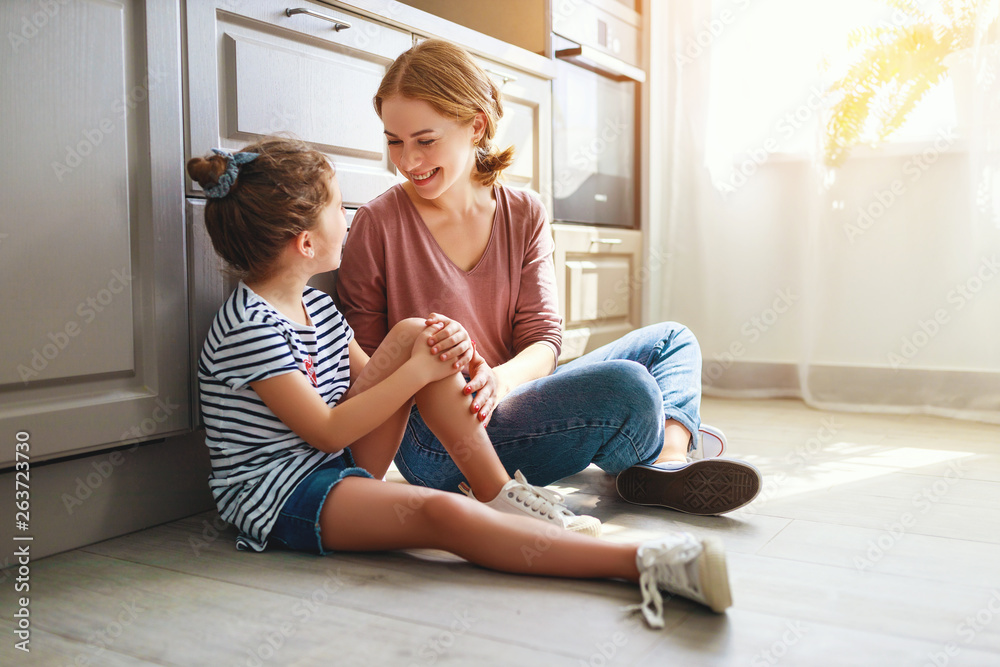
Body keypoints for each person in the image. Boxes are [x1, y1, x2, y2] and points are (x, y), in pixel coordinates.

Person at [187, 136, 734, 629]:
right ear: (305, 244)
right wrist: (419, 373)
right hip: (285, 493)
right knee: (438, 513)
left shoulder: (316, 305)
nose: (348, 215)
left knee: (416, 332)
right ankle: (641, 561)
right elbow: (328, 431)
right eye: (336, 207)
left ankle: (500, 495)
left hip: (338, 461)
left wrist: (446, 349)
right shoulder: (247, 328)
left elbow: (372, 378)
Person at [336, 39, 763, 517]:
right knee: (630, 387)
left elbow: (543, 341)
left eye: (425, 140)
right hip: (438, 444)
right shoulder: (378, 222)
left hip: (511, 395)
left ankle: (664, 464)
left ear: (475, 124)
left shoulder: (524, 212)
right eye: (395, 140)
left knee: (673, 341)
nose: (407, 161)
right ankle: (669, 436)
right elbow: (368, 366)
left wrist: (497, 381)